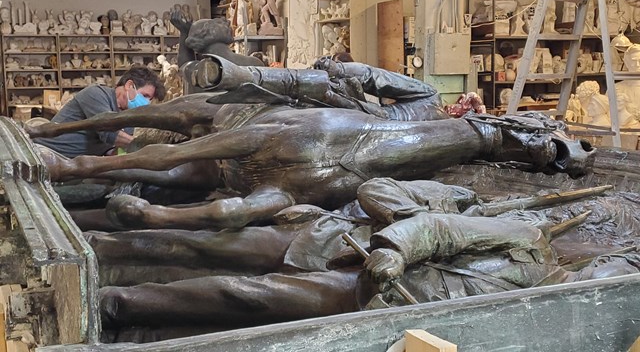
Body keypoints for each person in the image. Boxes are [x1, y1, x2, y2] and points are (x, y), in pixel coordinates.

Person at [98, 178, 640, 343]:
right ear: (600, 258)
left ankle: (142, 330)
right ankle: (116, 304)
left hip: (405, 333)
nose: (609, 277)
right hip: (368, 286)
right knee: (247, 295)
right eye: (614, 269)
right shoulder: (527, 239)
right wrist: (394, 252)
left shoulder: (559, 320)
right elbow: (437, 227)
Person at [33, 66, 165, 158]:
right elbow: (108, 133)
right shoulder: (96, 94)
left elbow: (112, 151)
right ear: (129, 85)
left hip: (72, 167)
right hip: (42, 155)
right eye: (145, 96)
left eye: (150, 99)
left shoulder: (128, 117)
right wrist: (147, 146)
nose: (147, 102)